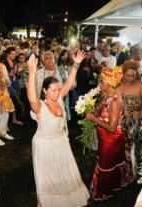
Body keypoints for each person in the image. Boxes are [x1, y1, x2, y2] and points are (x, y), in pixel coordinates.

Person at [27, 52, 90, 207]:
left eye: (57, 90)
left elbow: (68, 83)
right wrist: (32, 73)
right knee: (49, 177)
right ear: (44, 91)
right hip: (45, 146)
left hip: (61, 141)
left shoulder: (59, 98)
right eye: (53, 90)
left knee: (63, 171)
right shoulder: (40, 107)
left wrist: (76, 64)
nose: (57, 93)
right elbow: (31, 98)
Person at [85, 66, 131, 201]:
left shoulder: (115, 102)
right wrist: (96, 109)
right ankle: (111, 185)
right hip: (105, 137)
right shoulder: (108, 97)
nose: (99, 85)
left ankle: (105, 191)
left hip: (111, 140)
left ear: (110, 83)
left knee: (106, 164)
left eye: (102, 82)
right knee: (106, 163)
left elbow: (111, 127)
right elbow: (102, 113)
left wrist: (93, 119)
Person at [119, 60, 142, 181]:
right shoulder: (117, 84)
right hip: (118, 121)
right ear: (122, 74)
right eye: (128, 75)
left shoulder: (139, 85)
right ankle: (118, 172)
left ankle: (131, 173)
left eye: (133, 75)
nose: (131, 78)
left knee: (132, 148)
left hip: (134, 121)